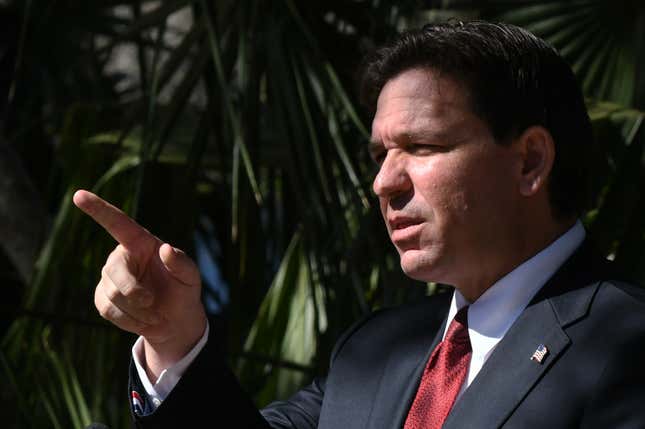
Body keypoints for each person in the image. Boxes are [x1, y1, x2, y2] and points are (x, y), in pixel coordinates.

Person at [73, 21, 645, 428]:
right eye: (379, 156)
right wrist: (173, 340)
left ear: (529, 161)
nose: (384, 183)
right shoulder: (374, 348)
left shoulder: (626, 338)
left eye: (421, 146)